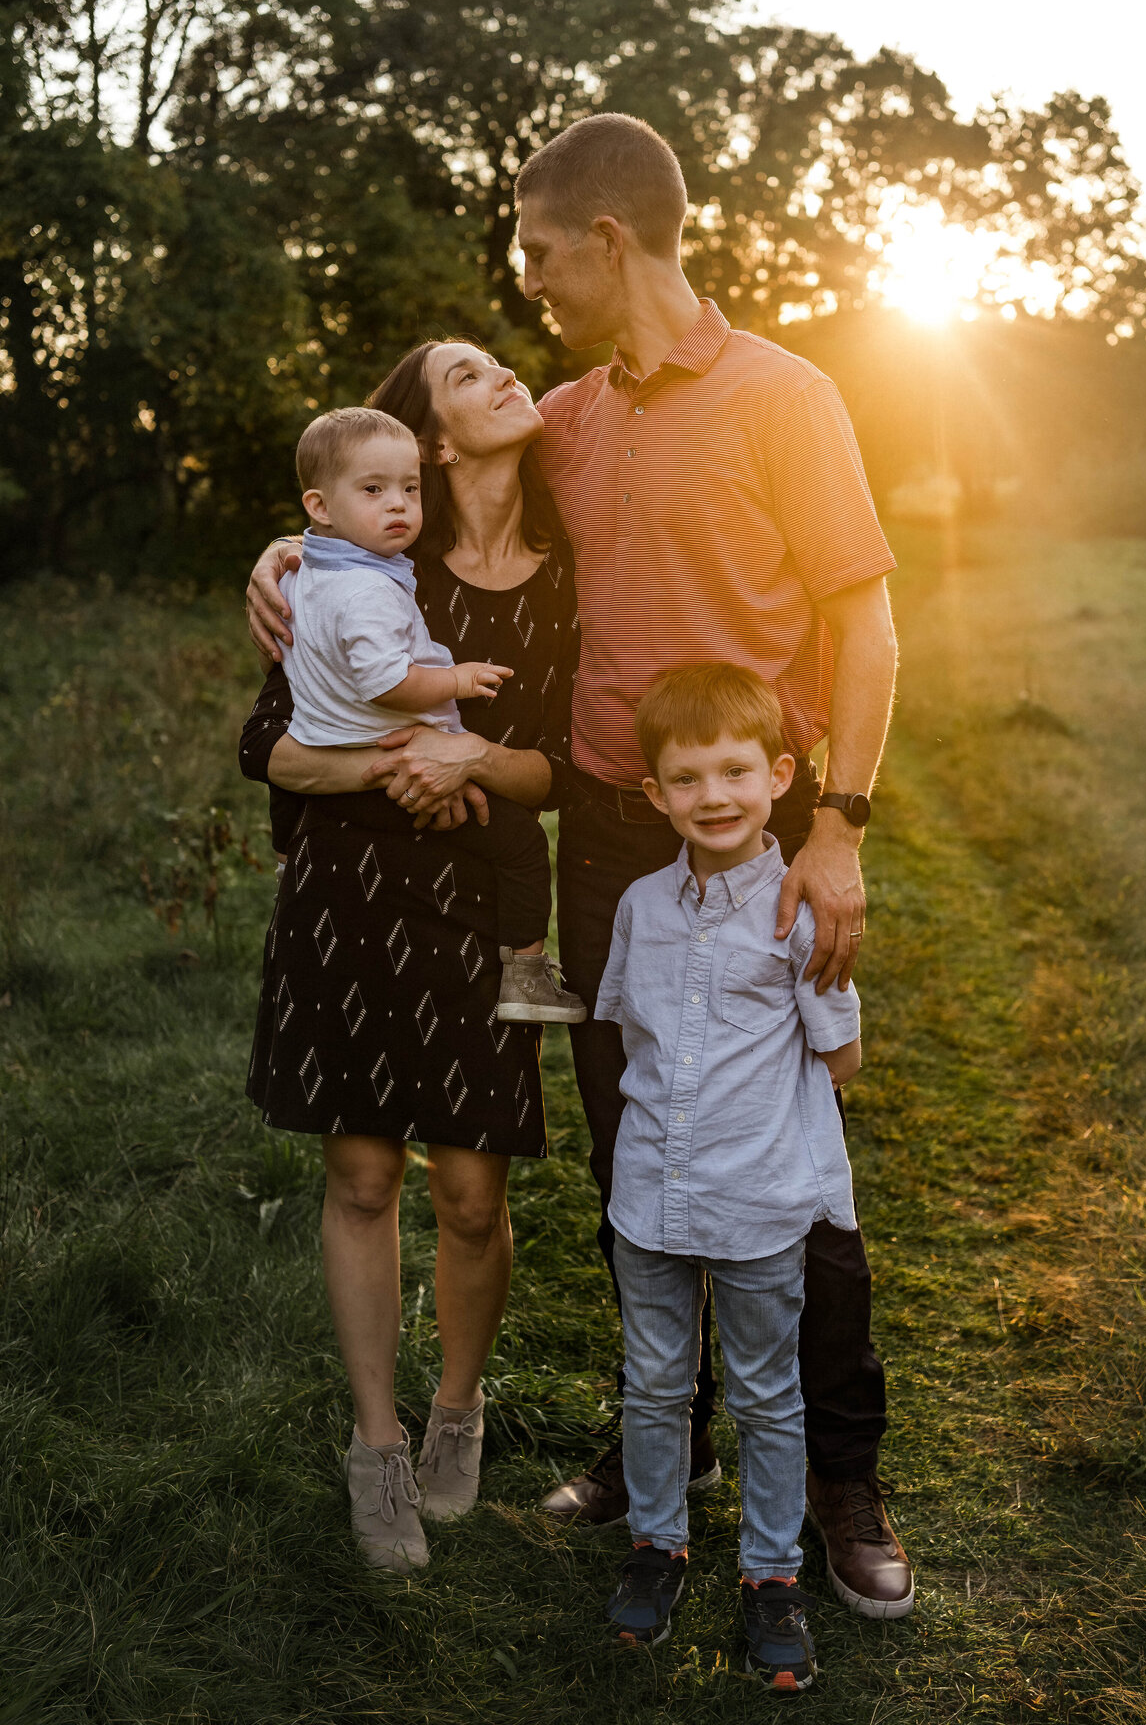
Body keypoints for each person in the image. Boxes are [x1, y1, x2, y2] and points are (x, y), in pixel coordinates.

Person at [247, 111, 911, 1616]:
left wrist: (837, 825)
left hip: (759, 830)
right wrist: (278, 557)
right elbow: (389, 493)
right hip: (606, 838)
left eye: (540, 253)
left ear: (608, 241)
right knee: (641, 1154)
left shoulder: (785, 397)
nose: (528, 281)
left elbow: (867, 620)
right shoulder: (565, 415)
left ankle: (844, 1477)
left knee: (800, 1167)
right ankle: (654, 1440)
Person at [240, 344, 579, 1574]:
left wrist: (472, 763)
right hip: (348, 891)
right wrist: (400, 766)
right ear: (425, 437)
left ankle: (457, 1411)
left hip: (477, 902)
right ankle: (375, 1441)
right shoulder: (365, 562)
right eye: (467, 372)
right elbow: (268, 749)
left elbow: (563, 772)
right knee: (365, 1176)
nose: (501, 375)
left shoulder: (561, 585)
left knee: (471, 1194)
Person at [596, 663, 863, 1693]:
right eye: (688, 777)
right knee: (656, 1384)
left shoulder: (799, 912)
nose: (714, 795)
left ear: (781, 775)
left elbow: (839, 1058)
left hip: (757, 1206)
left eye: (736, 772)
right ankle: (658, 1545)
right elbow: (632, 1024)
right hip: (651, 1203)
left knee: (765, 1392)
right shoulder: (638, 906)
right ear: (655, 793)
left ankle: (770, 1574)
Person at [276, 402, 584, 1024]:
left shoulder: (322, 571)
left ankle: (286, 851)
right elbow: (374, 685)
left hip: (359, 790)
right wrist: (458, 681)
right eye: (375, 490)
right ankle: (526, 974)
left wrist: (470, 758)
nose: (397, 504)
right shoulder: (370, 584)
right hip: (361, 875)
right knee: (522, 843)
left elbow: (566, 769)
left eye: (407, 490)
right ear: (439, 441)